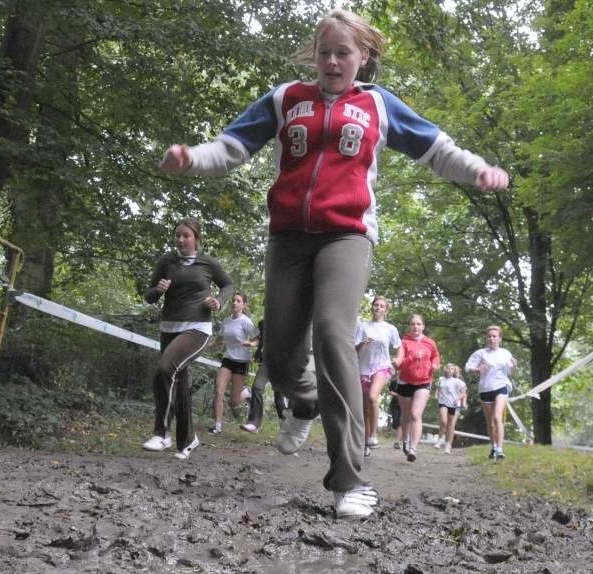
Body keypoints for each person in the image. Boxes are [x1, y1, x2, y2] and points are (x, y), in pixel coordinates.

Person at [159, 9, 509, 517]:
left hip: (347, 234)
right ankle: (303, 402)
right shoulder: (285, 99)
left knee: (332, 334)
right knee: (277, 355)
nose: (332, 61)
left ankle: (350, 479)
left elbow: (436, 148)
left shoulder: (377, 105)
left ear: (362, 57)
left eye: (343, 52)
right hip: (288, 237)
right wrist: (192, 158)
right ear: (314, 54)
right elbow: (231, 148)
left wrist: (477, 170)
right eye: (324, 52)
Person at [142, 218, 233, 459]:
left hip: (197, 329)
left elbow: (228, 285)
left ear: (196, 239)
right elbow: (149, 296)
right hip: (169, 328)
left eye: (186, 236)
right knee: (179, 383)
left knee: (164, 370)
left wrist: (219, 301)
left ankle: (161, 433)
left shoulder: (207, 263)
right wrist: (158, 290)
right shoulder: (167, 262)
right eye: (177, 236)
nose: (181, 240)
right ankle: (187, 441)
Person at [355, 296, 403, 457]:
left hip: (382, 367)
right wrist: (363, 343)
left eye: (382, 306)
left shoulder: (390, 329)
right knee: (364, 409)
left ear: (386, 310)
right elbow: (354, 349)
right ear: (372, 307)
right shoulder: (362, 326)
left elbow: (399, 347)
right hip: (363, 369)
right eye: (376, 305)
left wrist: (398, 359)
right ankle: (365, 443)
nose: (378, 308)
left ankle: (373, 435)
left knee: (372, 396)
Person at [208, 292, 259, 434]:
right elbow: (220, 339)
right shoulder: (226, 322)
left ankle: (246, 393)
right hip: (227, 360)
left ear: (244, 305)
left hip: (241, 362)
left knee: (234, 402)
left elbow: (257, 339)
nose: (235, 303)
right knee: (219, 391)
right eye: (233, 300)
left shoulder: (246, 322)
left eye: (238, 301)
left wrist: (251, 343)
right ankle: (217, 426)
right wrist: (208, 344)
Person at [465, 325, 517, 460]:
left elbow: (511, 372)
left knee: (497, 417)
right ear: (486, 338)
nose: (491, 339)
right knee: (490, 423)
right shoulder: (480, 353)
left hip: (502, 386)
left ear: (500, 338)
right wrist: (477, 369)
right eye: (489, 336)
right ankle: (493, 447)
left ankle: (500, 450)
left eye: (494, 336)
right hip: (486, 388)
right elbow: (467, 368)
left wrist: (515, 365)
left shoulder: (505, 353)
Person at [396, 314, 441, 463]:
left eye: (418, 324)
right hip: (405, 381)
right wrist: (413, 357)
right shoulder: (403, 342)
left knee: (415, 414)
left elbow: (435, 358)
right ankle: (406, 440)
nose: (415, 327)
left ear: (423, 326)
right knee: (406, 416)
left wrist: (434, 365)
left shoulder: (430, 343)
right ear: (409, 327)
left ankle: (413, 449)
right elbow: (399, 365)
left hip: (424, 381)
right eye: (413, 324)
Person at [240, 319, 288, 433]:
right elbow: (259, 339)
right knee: (257, 388)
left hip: (281, 363)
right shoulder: (262, 323)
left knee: (279, 399)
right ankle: (254, 423)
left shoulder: (286, 320)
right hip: (266, 362)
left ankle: (288, 425)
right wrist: (252, 344)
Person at [434, 363, 467, 454]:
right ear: (445, 369)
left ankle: (448, 445)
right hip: (443, 403)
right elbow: (438, 388)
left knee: (450, 425)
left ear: (454, 371)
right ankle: (440, 439)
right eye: (448, 368)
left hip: (453, 404)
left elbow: (464, 392)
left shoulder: (457, 381)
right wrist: (437, 395)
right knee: (443, 421)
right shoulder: (441, 379)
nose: (449, 370)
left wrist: (458, 398)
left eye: (452, 369)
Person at [388, 381, 403, 450]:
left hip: (404, 405)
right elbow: (390, 392)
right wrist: (398, 395)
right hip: (395, 405)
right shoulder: (394, 382)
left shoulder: (409, 382)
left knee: (400, 423)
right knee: (395, 422)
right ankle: (394, 426)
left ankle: (397, 442)